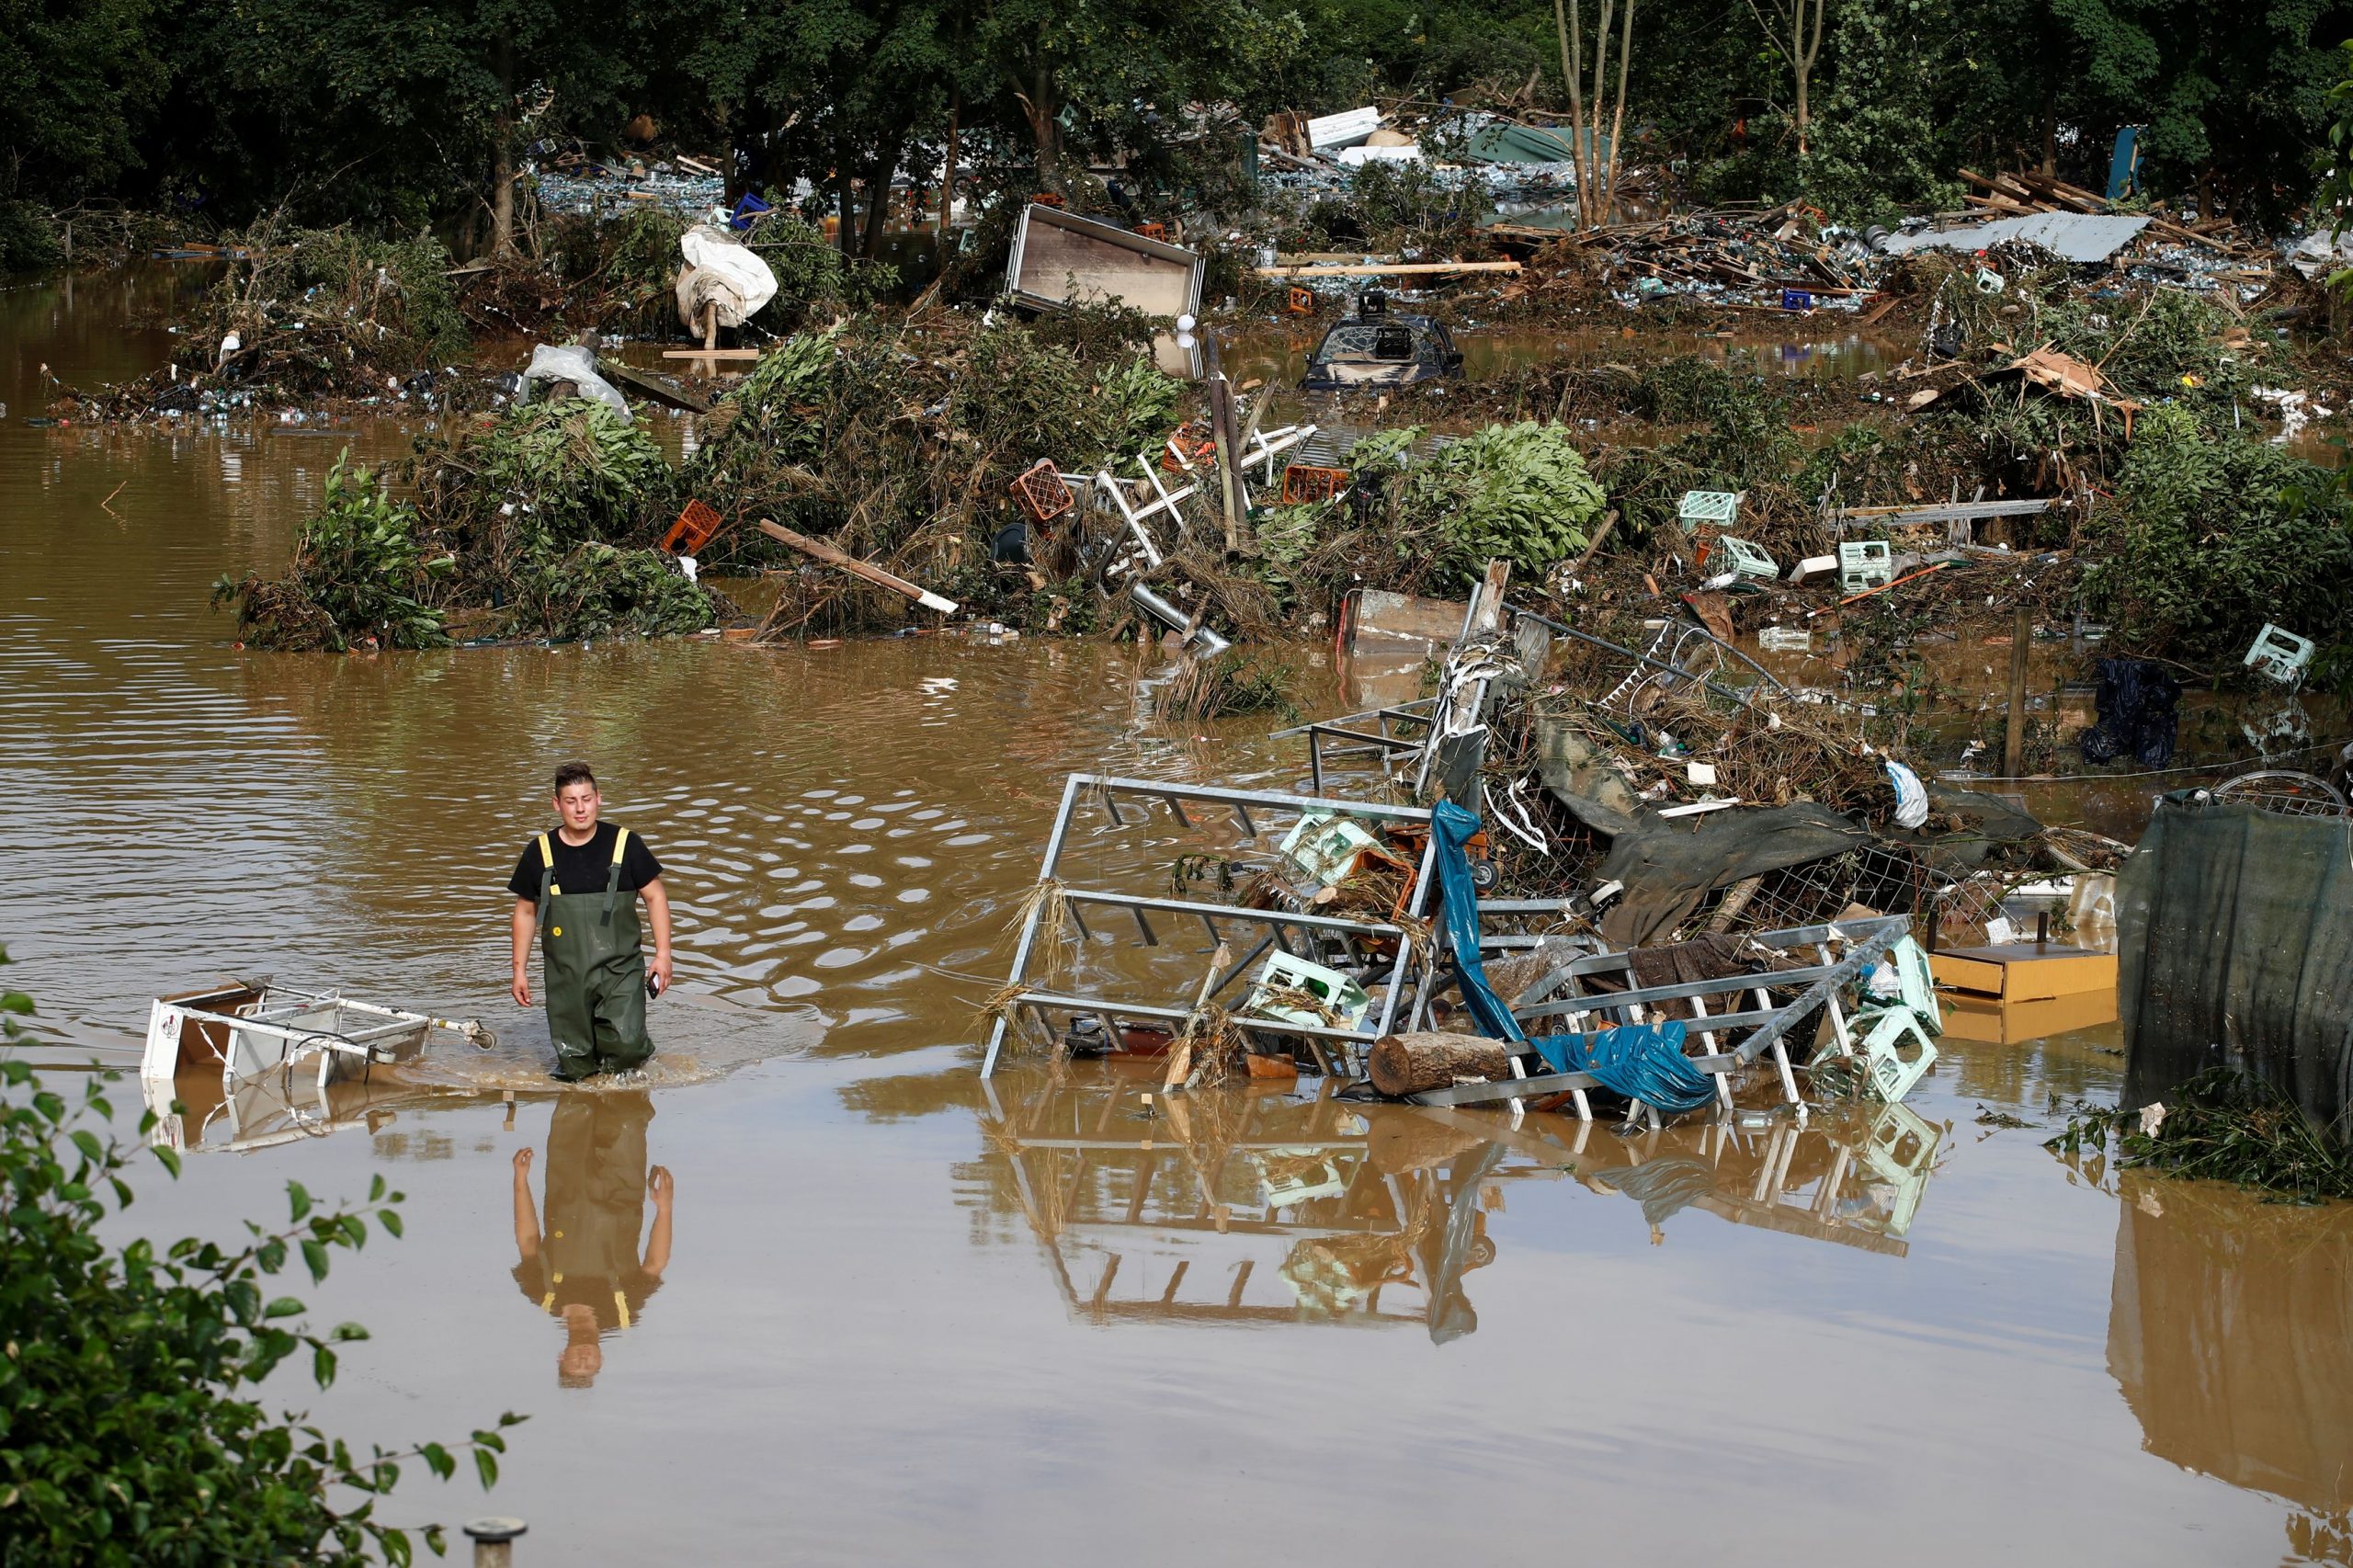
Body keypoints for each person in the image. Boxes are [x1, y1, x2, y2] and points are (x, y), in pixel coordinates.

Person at [507, 762, 673, 1081]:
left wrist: (663, 955)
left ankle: (624, 1105)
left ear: (599, 798)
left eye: (586, 799)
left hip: (620, 969)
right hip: (566, 974)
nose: (580, 809)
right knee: (575, 1062)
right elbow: (525, 911)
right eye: (571, 801)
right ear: (557, 804)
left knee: (627, 1047)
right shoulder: (539, 852)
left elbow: (656, 897)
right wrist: (519, 970)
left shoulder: (626, 844)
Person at [510, 1093, 673, 1388]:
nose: (584, 1360)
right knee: (628, 1111)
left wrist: (520, 1181)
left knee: (574, 1101)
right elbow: (655, 1264)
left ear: (561, 1356)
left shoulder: (543, 1294)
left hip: (566, 1184)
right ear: (601, 1360)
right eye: (590, 1367)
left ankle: (579, 1058)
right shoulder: (624, 1310)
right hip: (622, 1188)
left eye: (575, 1364)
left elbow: (529, 1239)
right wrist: (664, 1209)